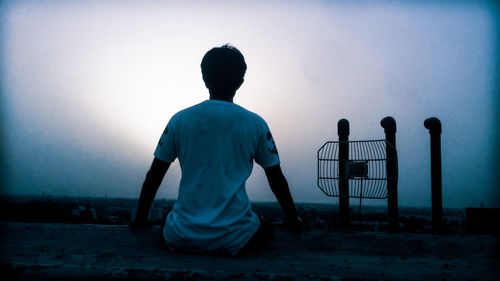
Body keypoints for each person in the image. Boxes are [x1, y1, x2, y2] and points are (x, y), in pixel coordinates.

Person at [131, 44, 302, 255]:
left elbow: (154, 176)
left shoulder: (179, 120)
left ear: (204, 78)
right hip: (236, 236)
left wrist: (140, 220)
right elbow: (276, 179)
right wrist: (294, 220)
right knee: (265, 227)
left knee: (168, 217)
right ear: (240, 81)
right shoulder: (255, 123)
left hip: (181, 235)